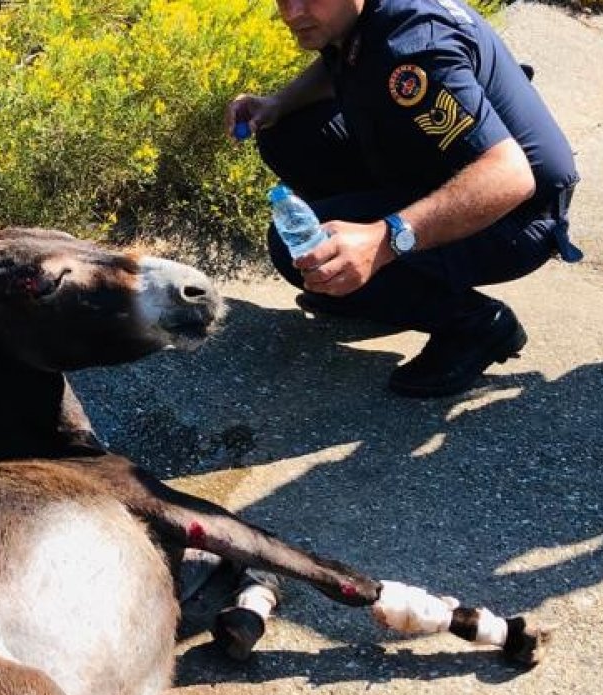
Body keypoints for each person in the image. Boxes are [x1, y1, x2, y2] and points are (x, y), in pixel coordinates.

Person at [227, 0, 580, 398]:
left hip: (514, 217)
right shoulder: (358, 18)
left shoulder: (413, 48)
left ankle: (474, 324)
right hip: (441, 169)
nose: (291, 13)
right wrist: (278, 102)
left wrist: (382, 241)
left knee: (297, 247)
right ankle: (372, 287)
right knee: (288, 133)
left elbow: (510, 176)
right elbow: (340, 60)